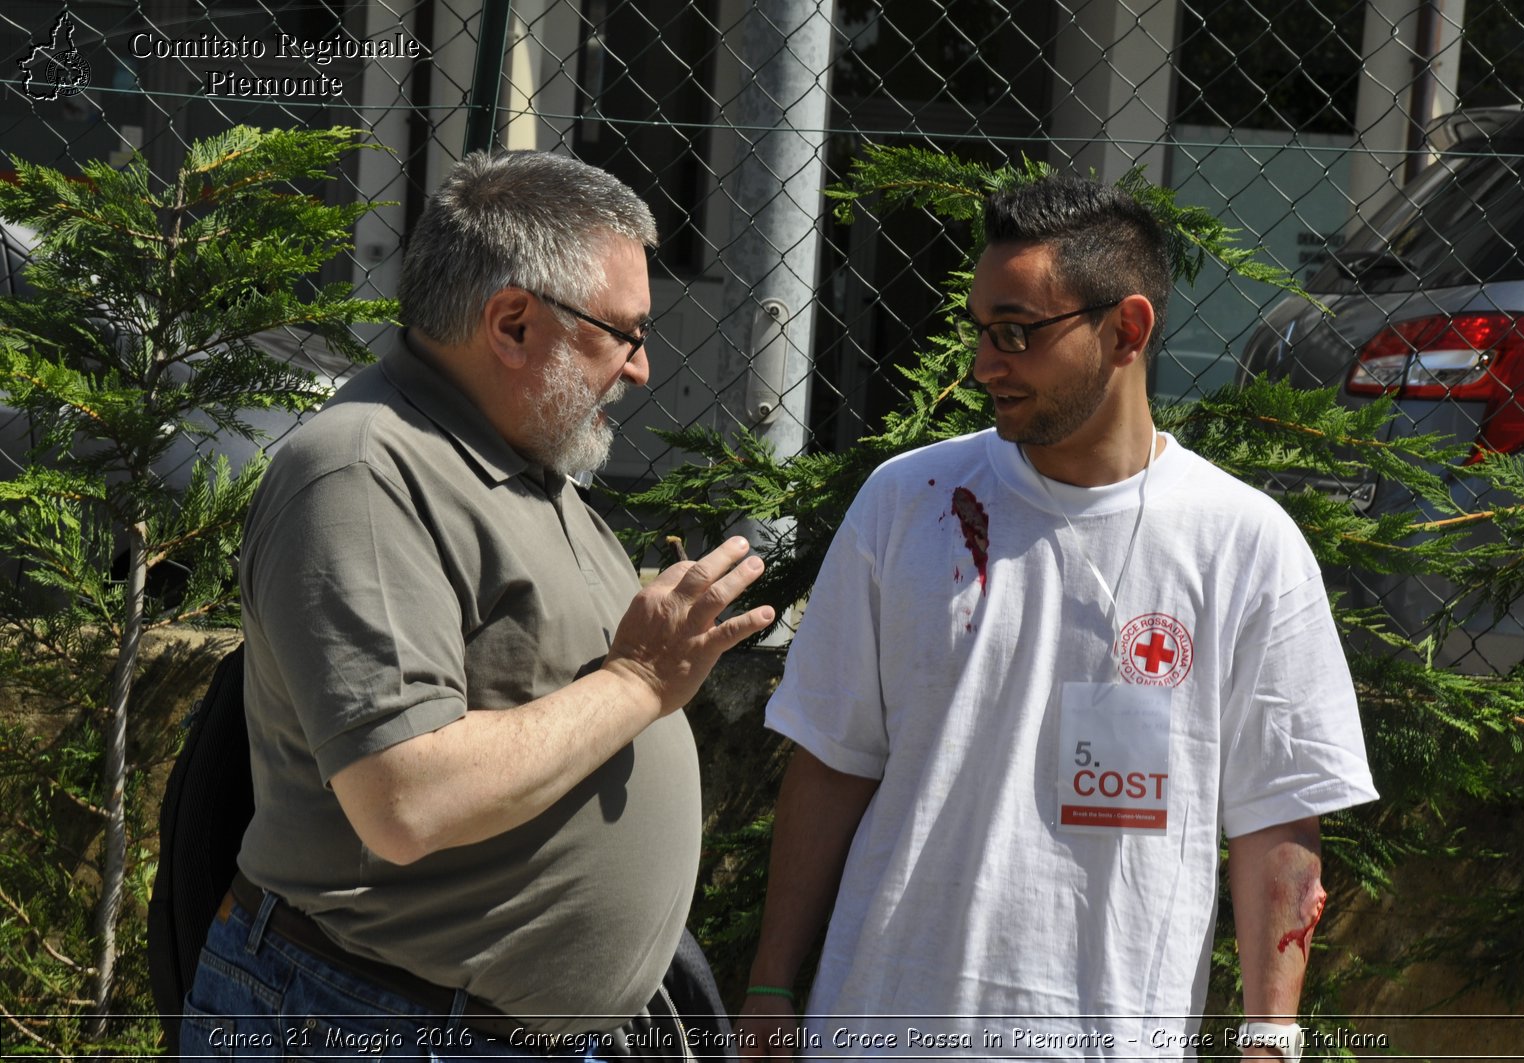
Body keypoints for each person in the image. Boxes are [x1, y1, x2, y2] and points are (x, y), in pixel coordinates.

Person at [736, 175, 1378, 1061]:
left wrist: (1271, 1038)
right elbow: (832, 761)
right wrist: (771, 985)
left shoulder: (1244, 543)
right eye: (980, 333)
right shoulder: (907, 501)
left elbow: (1279, 814)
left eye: (1016, 334)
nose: (982, 365)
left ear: (1128, 330)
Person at [179, 151, 774, 1059]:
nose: (643, 368)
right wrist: (639, 680)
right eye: (626, 332)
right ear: (512, 322)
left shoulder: (525, 463)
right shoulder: (364, 471)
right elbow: (404, 796)